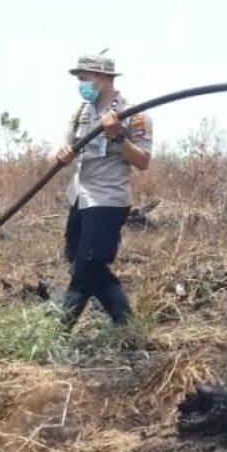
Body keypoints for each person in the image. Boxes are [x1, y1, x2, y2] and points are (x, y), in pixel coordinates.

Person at [55, 53, 152, 331]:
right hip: (80, 198)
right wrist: (62, 154)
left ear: (104, 78)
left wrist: (118, 136)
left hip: (107, 200)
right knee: (81, 262)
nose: (81, 85)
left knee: (88, 265)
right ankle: (127, 326)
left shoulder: (135, 114)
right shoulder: (82, 113)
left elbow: (143, 162)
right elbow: (68, 146)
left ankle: (61, 331)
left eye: (85, 79)